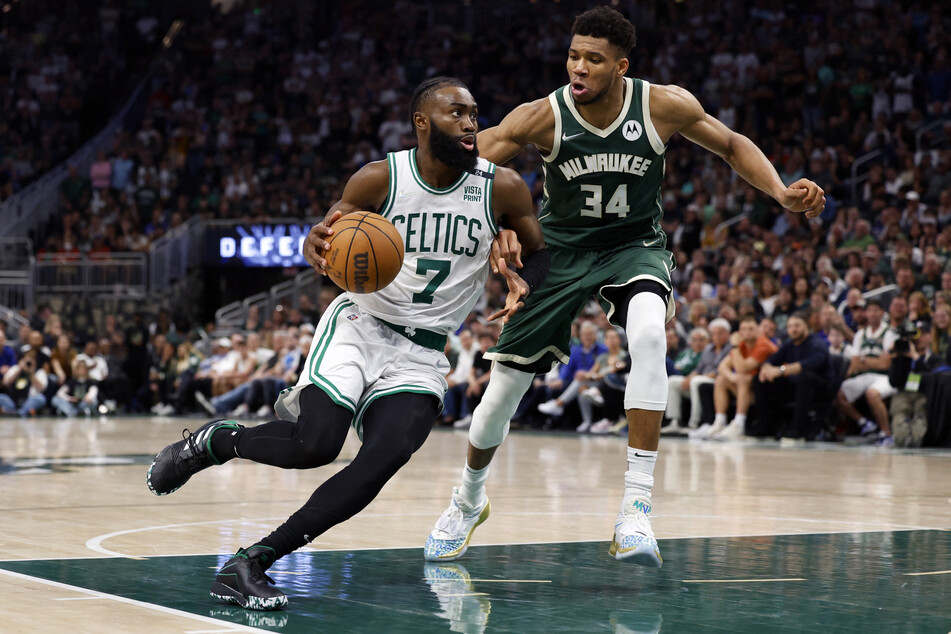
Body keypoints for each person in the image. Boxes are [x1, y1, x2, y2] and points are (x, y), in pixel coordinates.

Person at [424, 6, 825, 569]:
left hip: (633, 245)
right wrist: (480, 220)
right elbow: (472, 161)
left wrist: (781, 193)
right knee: (500, 396)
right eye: (573, 55)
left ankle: (636, 505)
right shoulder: (544, 115)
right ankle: (467, 501)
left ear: (621, 65)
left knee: (648, 334)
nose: (578, 67)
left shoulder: (662, 105)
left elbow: (733, 145)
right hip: (559, 251)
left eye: (592, 58)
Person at [146, 76, 548, 611]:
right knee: (315, 446)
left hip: (425, 350)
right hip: (361, 324)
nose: (471, 122)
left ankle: (251, 563)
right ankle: (216, 442)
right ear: (422, 122)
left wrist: (526, 283)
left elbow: (540, 256)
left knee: (381, 459)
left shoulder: (504, 189)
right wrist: (318, 243)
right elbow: (328, 244)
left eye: (474, 112)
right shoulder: (380, 179)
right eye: (456, 112)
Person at [754, 313, 833, 441]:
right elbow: (773, 359)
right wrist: (766, 369)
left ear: (806, 326)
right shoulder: (789, 344)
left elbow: (806, 365)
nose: (793, 329)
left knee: (804, 377)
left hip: (820, 390)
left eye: (797, 325)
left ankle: (798, 429)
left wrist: (780, 370)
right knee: (760, 379)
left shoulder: (817, 344)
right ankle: (765, 424)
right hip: (796, 387)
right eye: (790, 326)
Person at [835, 298, 898, 445]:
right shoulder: (860, 334)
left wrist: (864, 360)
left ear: (883, 312)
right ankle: (864, 422)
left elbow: (885, 364)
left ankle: (886, 433)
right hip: (864, 376)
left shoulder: (890, 332)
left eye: (876, 310)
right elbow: (856, 363)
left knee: (872, 394)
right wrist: (872, 361)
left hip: (884, 377)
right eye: (870, 310)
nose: (873, 313)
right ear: (866, 313)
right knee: (838, 394)